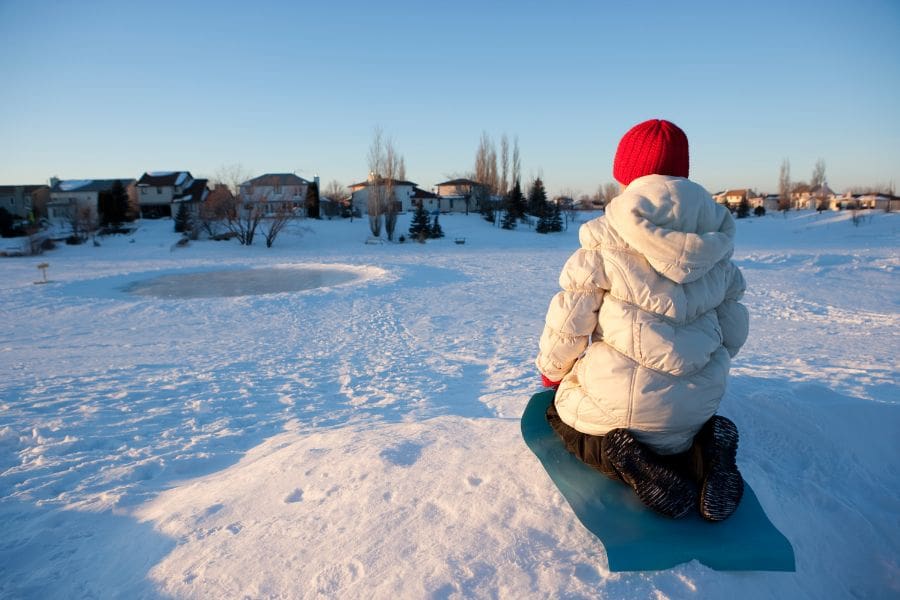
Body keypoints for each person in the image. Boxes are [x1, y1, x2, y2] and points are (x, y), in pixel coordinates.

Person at [535, 119, 749, 521]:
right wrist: (704, 366)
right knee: (680, 429)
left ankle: (623, 459)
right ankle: (710, 453)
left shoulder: (604, 239)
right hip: (700, 401)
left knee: (559, 412)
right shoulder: (715, 240)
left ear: (626, 176)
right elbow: (733, 331)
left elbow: (569, 321)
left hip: (622, 409)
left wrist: (553, 372)